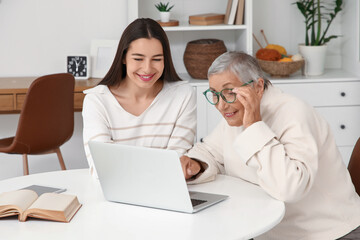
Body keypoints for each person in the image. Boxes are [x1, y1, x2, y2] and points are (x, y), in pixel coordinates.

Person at [180, 52, 360, 239]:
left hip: (328, 232)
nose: (221, 105)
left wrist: (254, 126)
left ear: (257, 87)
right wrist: (196, 163)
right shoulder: (237, 112)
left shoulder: (294, 112)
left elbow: (289, 188)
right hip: (267, 230)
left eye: (229, 92)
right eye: (215, 94)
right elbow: (210, 150)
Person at [82, 18, 196, 177]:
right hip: (114, 195)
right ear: (123, 58)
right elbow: (101, 168)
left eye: (157, 59)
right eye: (138, 59)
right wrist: (160, 166)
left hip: (165, 192)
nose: (147, 68)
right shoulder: (96, 101)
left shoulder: (183, 95)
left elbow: (177, 164)